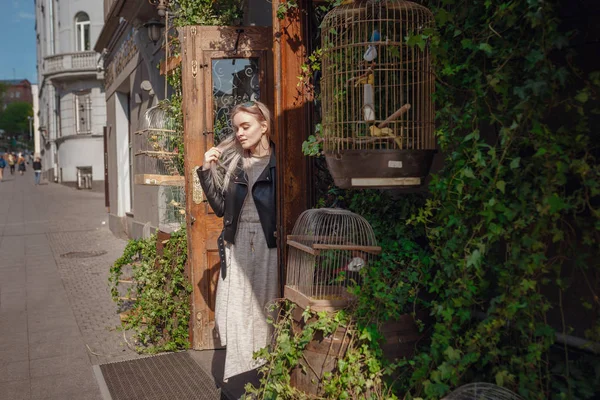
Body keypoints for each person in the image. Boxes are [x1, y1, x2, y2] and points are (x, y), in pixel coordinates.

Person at [198, 101, 277, 381]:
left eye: (246, 126)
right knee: (238, 313)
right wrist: (207, 170)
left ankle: (268, 373)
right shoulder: (236, 162)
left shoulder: (280, 162)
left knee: (266, 310)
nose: (240, 133)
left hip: (270, 244)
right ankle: (239, 377)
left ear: (264, 126)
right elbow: (220, 208)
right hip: (238, 242)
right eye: (236, 128)